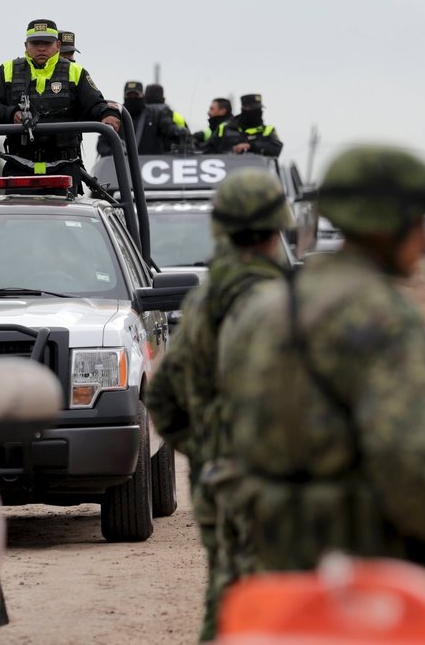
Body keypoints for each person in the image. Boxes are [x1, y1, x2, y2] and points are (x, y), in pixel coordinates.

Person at [216, 145, 425, 580]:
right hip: (356, 568)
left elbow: (227, 430)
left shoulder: (264, 309)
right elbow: (405, 455)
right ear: (386, 225)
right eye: (420, 222)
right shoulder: (385, 317)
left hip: (266, 558)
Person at [147, 169, 292, 642]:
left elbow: (162, 395)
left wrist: (207, 447)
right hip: (280, 484)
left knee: (229, 598)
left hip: (219, 480)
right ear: (279, 228)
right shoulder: (286, 303)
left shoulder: (203, 301)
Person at [0, 18, 120, 184]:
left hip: (64, 166)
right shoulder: (7, 70)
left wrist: (109, 114)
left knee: (67, 211)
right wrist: (13, 114)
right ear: (26, 46)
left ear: (58, 46)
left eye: (47, 43)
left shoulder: (75, 72)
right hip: (19, 165)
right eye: (35, 43)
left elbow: (95, 104)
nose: (41, 48)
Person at [97, 81, 188, 156]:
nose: (132, 98)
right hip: (122, 171)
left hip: (152, 169)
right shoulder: (115, 116)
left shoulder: (154, 116)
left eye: (136, 95)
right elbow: (102, 145)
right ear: (124, 97)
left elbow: (168, 129)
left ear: (142, 96)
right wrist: (116, 154)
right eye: (129, 95)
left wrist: (181, 132)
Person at [212, 93, 282, 157]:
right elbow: (209, 148)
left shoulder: (267, 131)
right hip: (227, 168)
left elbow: (276, 149)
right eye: (253, 109)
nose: (258, 112)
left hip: (257, 169)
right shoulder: (225, 128)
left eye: (259, 109)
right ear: (243, 108)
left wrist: (251, 146)